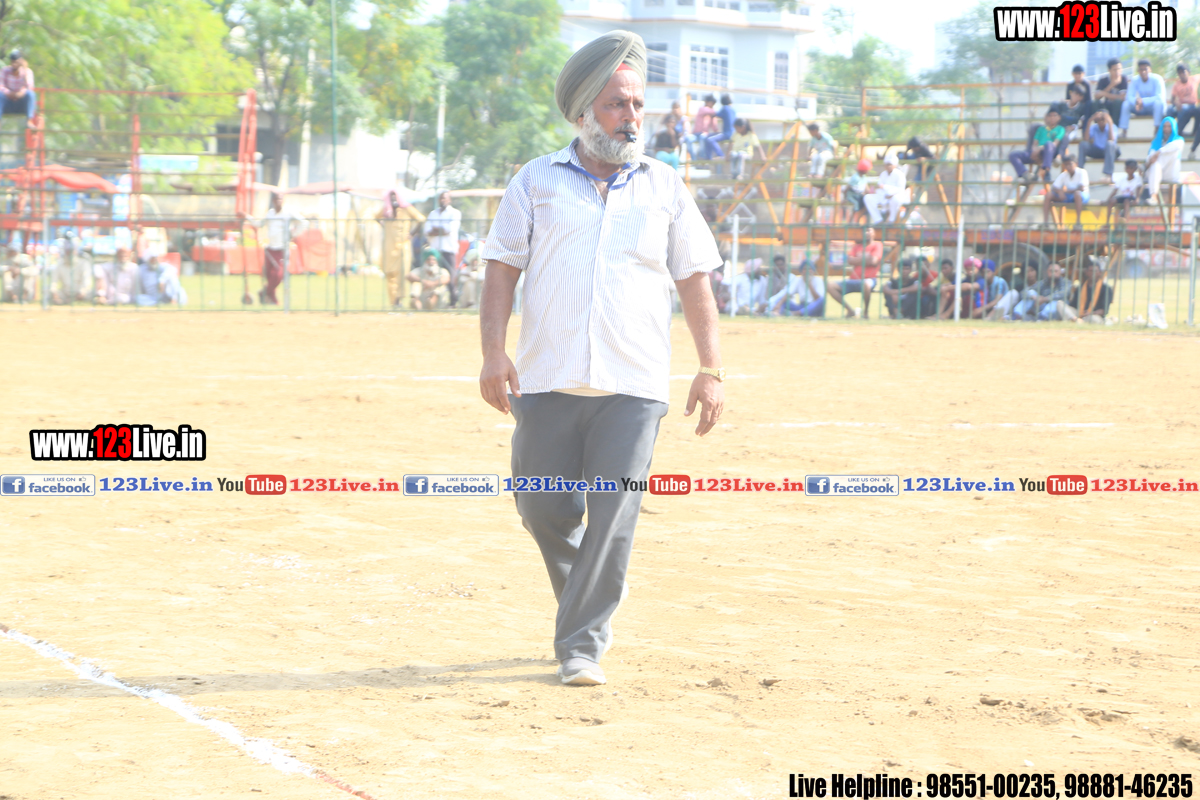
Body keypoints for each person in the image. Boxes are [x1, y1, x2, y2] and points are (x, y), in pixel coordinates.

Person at [479, 30, 724, 688]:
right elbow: (501, 270)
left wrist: (710, 367)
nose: (631, 118)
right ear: (583, 112)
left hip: (633, 385)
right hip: (547, 378)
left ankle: (581, 644)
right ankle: (590, 594)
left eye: (637, 104)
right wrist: (493, 352)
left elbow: (694, 277)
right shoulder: (535, 181)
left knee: (615, 513)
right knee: (542, 508)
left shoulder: (664, 186)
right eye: (617, 105)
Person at [252, 193, 301, 305]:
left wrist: (293, 234)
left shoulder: (289, 212)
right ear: (273, 200)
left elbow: (303, 222)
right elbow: (260, 224)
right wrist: (247, 217)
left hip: (282, 249)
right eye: (277, 199)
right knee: (269, 275)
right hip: (271, 248)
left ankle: (264, 293)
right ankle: (272, 300)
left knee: (278, 274)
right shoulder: (270, 213)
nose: (279, 201)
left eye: (281, 199)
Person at [826, 227, 882, 318]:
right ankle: (850, 310)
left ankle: (865, 312)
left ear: (874, 233)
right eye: (865, 231)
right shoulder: (857, 247)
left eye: (869, 230)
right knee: (829, 285)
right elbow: (850, 260)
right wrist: (866, 258)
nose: (866, 233)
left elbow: (874, 261)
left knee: (866, 284)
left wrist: (857, 260)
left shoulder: (877, 245)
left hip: (869, 279)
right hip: (853, 279)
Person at [424, 191, 462, 305]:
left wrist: (436, 230)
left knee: (450, 276)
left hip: (448, 249)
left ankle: (453, 302)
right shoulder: (433, 214)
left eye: (445, 198)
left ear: (449, 200)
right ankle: (435, 303)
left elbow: (449, 230)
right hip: (435, 251)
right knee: (434, 275)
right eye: (441, 198)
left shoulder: (455, 213)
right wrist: (441, 230)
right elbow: (427, 231)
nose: (442, 200)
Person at [1010, 109, 1064, 184]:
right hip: (1036, 152)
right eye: (1050, 116)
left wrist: (1040, 149)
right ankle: (1025, 174)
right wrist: (1034, 150)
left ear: (1059, 117)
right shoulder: (1040, 129)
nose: (1052, 118)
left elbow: (1055, 143)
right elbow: (1034, 143)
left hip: (1049, 152)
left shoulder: (1060, 129)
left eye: (1054, 116)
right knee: (1013, 155)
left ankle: (1046, 170)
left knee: (1048, 144)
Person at [1119, 59, 1165, 135]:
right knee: (1126, 104)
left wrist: (1143, 101)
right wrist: (1136, 102)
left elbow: (1160, 97)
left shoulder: (1157, 79)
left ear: (1150, 70)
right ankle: (1124, 131)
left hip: (1153, 108)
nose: (1143, 72)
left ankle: (1157, 130)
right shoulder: (1135, 79)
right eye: (1141, 69)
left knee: (1158, 103)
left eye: (1145, 69)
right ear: (1138, 70)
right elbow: (1129, 96)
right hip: (1140, 108)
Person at [1144, 115, 1185, 201]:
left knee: (1172, 152)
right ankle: (1153, 195)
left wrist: (1159, 152)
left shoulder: (1179, 140)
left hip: (1170, 173)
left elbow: (1175, 146)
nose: (1166, 129)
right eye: (1165, 126)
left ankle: (1153, 195)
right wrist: (1153, 157)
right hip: (1156, 172)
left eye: (1169, 126)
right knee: (1155, 164)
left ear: (1173, 128)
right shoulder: (1156, 142)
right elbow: (1150, 157)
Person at [1042, 153, 1089, 226]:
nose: (1068, 167)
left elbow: (1081, 188)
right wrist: (1059, 192)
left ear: (1076, 164)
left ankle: (1078, 222)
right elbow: (1054, 187)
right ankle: (1045, 223)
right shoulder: (1064, 174)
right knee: (1048, 195)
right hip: (1069, 196)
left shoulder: (1082, 172)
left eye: (1070, 164)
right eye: (1066, 165)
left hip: (1082, 196)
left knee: (1077, 193)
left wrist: (1064, 191)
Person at [864, 153, 908, 224]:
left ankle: (891, 220)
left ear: (895, 165)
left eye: (890, 164)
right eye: (887, 164)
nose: (888, 166)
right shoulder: (883, 174)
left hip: (896, 196)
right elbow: (879, 187)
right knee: (868, 198)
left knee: (895, 199)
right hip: (883, 196)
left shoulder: (900, 175)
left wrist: (889, 192)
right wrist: (880, 191)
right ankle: (878, 220)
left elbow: (900, 189)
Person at [1079, 108, 1120, 176]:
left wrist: (1109, 122)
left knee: (1110, 144)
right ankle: (1079, 170)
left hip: (1110, 151)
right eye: (1099, 120)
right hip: (1097, 150)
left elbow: (1112, 139)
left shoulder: (1112, 126)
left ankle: (1108, 174)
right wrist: (1089, 121)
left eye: (1103, 119)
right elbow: (1086, 139)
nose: (1101, 122)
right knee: (1083, 144)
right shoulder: (1094, 127)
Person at [0, 50, 36, 126]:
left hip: (21, 103)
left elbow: (30, 87)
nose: (14, 64)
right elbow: (1, 86)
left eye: (16, 62)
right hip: (8, 102)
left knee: (31, 94)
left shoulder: (27, 72)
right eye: (12, 62)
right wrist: (9, 93)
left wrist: (20, 93)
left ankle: (29, 121)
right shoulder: (4, 71)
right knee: (0, 95)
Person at [1093, 58, 1128, 128]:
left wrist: (1104, 94)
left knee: (1118, 102)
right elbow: (1096, 96)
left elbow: (1122, 98)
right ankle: (1098, 125)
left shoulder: (1123, 79)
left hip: (1117, 106)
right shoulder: (1103, 80)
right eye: (1114, 70)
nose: (1117, 72)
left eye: (1119, 69)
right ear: (1109, 70)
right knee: (1095, 103)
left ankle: (1114, 126)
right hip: (1106, 105)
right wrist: (1111, 85)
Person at [1105, 159, 1142, 223]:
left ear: (1135, 169)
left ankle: (1125, 220)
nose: (1129, 170)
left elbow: (1138, 189)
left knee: (1126, 201)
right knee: (1111, 201)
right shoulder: (1122, 179)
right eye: (1127, 168)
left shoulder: (1138, 178)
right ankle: (1107, 222)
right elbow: (1115, 191)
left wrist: (1137, 199)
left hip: (1131, 197)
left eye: (1131, 168)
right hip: (1122, 196)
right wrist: (1108, 199)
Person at [703, 93, 736, 162]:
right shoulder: (733, 110)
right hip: (733, 133)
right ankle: (708, 157)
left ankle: (720, 155)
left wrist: (708, 111)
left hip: (727, 134)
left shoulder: (725, 108)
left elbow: (715, 114)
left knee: (710, 139)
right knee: (707, 137)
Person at [1167, 63, 1198, 136]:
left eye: (1183, 72)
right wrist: (1176, 103)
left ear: (1188, 72)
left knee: (1184, 109)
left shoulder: (1194, 79)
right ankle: (1168, 131)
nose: (1181, 75)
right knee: (1170, 109)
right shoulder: (1177, 84)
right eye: (1179, 73)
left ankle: (1178, 131)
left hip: (1192, 105)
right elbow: (1172, 99)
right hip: (1181, 105)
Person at [686, 94, 718, 160]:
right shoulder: (702, 109)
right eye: (711, 103)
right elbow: (707, 111)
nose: (712, 105)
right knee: (688, 139)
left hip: (704, 134)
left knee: (702, 137)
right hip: (695, 134)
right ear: (707, 102)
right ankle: (694, 158)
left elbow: (714, 126)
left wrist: (716, 131)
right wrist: (715, 113)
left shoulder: (711, 114)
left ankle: (701, 156)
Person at [843, 157, 871, 222]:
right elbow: (847, 188)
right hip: (852, 195)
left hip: (859, 195)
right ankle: (850, 222)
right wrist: (845, 198)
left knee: (866, 204)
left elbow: (867, 189)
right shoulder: (855, 178)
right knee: (856, 205)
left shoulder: (863, 177)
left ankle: (859, 221)